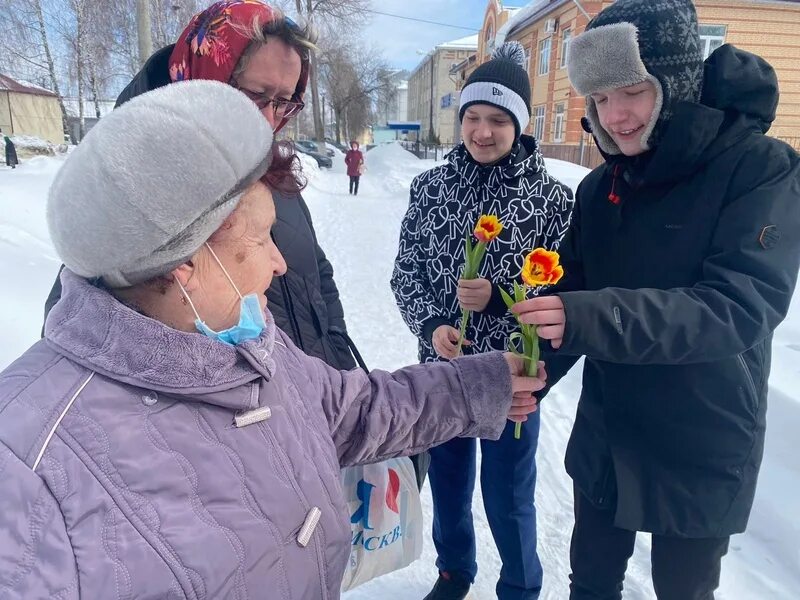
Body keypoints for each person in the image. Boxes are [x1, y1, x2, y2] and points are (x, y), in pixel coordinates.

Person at [0, 80, 546, 599]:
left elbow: (351, 410)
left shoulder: (246, 344)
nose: (281, 264)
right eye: (262, 238)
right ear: (185, 261)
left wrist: (479, 385)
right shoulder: (28, 470)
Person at [510, 1, 800, 598]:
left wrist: (585, 317)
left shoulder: (757, 168)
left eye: (632, 92)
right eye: (598, 99)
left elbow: (739, 305)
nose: (614, 117)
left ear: (675, 81)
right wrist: (528, 374)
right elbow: (573, 291)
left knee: (683, 591)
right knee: (590, 581)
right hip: (610, 428)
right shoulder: (600, 186)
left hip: (703, 430)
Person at [41, 0, 364, 372]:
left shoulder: (271, 165)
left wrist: (335, 349)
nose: (269, 120)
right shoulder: (137, 174)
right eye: (256, 96)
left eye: (284, 103)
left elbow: (315, 271)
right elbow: (79, 323)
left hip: (313, 396)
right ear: (209, 77)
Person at [391, 42, 575, 600]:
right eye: (472, 117)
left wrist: (500, 300)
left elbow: (567, 294)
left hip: (512, 376)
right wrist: (432, 327)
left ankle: (520, 586)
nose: (482, 131)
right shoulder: (432, 189)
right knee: (447, 484)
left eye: (498, 119)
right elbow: (406, 274)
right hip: (444, 373)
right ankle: (454, 573)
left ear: (519, 125)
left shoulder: (551, 201)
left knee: (507, 492)